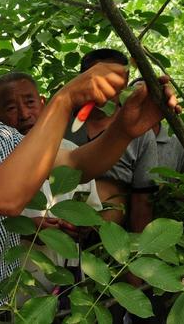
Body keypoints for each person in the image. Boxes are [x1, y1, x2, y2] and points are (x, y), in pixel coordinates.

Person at [0, 11, 179, 318]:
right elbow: (2, 197)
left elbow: (76, 164)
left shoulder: (4, 136)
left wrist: (124, 128)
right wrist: (64, 100)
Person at [0, 71, 102, 296]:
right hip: (15, 290)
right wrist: (22, 229)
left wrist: (83, 226)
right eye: (11, 108)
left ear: (43, 104)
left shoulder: (70, 152)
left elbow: (93, 212)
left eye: (30, 103)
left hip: (70, 286)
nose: (24, 114)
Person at [65, 49, 158, 233]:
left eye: (113, 79)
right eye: (98, 78)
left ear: (125, 82)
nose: (105, 87)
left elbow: (143, 199)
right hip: (58, 230)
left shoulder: (140, 133)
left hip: (112, 238)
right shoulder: (62, 123)